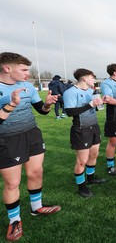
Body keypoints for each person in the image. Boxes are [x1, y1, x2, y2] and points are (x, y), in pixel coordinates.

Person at [0, 52, 61, 241]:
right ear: (7, 68)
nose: (28, 73)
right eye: (24, 69)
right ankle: (15, 220)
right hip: (7, 139)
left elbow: (41, 110)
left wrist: (48, 105)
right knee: (12, 183)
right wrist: (11, 105)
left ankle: (36, 207)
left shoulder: (27, 86)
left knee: (36, 173)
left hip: (32, 134)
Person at [64, 68, 107, 197]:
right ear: (84, 78)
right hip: (80, 129)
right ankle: (81, 187)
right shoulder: (70, 92)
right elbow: (70, 112)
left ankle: (91, 178)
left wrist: (100, 102)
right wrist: (90, 105)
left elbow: (95, 108)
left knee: (94, 155)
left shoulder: (90, 91)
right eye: (92, 77)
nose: (93, 79)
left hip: (93, 127)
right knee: (82, 160)